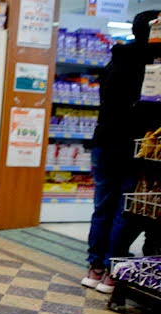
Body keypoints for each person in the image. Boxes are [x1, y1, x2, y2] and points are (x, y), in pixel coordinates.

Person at [82, 10, 161, 293]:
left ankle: (95, 269)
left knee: (103, 207)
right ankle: (112, 272)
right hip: (132, 146)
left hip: (104, 142)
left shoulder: (116, 59)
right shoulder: (151, 64)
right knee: (124, 209)